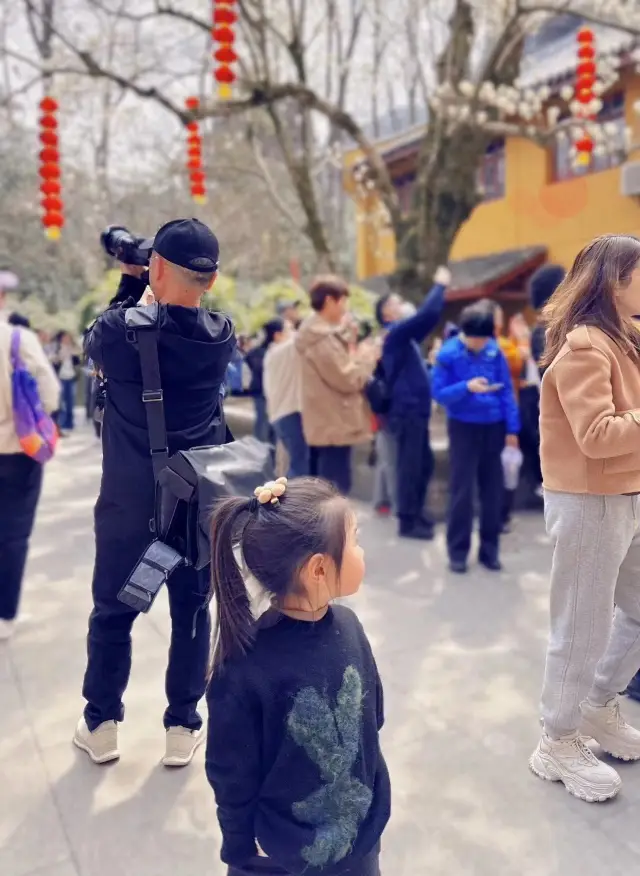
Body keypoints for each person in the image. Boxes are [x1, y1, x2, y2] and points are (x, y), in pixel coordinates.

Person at [74, 218, 235, 768]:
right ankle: (182, 725)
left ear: (156, 269)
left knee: (113, 613)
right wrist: (151, 281)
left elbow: (94, 339)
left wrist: (130, 281)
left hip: (129, 505)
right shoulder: (222, 333)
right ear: (210, 281)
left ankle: (101, 725)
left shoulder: (121, 333)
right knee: (191, 612)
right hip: (192, 505)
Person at [206, 476, 390, 876]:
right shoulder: (240, 670)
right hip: (279, 861)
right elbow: (231, 777)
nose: (361, 550)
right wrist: (240, 848)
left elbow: (372, 719)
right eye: (354, 540)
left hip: (355, 844)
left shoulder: (350, 626)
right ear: (319, 569)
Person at [529, 234, 640, 803]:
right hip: (591, 501)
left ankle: (596, 705)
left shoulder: (624, 340)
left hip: (625, 497)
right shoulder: (585, 349)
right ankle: (557, 738)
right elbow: (597, 438)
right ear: (615, 279)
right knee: (581, 624)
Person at [431, 301, 520, 574]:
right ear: (464, 334)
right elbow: (439, 393)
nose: (481, 345)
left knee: (492, 491)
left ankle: (489, 550)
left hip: (493, 427)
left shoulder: (495, 352)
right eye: (476, 340)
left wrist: (512, 429)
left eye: (485, 339)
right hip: (463, 428)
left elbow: (505, 391)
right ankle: (458, 551)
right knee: (462, 491)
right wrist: (466, 387)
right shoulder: (448, 355)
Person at [374, 267, 450, 540]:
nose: (402, 304)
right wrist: (439, 285)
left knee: (423, 464)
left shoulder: (404, 340)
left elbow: (424, 322)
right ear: (387, 314)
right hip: (405, 412)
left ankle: (417, 513)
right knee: (410, 466)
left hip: (415, 411)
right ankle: (407, 520)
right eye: (395, 303)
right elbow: (427, 315)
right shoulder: (394, 335)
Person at [0, 319, 59, 639]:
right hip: (17, 450)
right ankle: (5, 615)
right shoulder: (17, 339)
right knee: (13, 535)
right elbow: (49, 394)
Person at [296, 276, 378, 495]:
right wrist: (367, 356)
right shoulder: (321, 340)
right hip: (334, 422)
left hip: (329, 421)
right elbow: (348, 379)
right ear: (331, 301)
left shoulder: (317, 333)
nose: (346, 309)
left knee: (328, 486)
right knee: (336, 488)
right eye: (344, 302)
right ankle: (335, 529)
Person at [263, 321, 309, 478]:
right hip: (289, 414)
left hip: (281, 415)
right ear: (278, 335)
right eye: (289, 329)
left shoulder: (273, 353)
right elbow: (304, 338)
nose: (294, 332)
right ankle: (294, 501)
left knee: (290, 462)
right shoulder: (283, 351)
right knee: (300, 464)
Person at [246, 319, 283, 443]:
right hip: (263, 392)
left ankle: (268, 452)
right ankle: (260, 451)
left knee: (268, 423)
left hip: (267, 391)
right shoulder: (264, 352)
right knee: (263, 423)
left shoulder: (259, 351)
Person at [52, 331, 81, 432]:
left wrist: (73, 353)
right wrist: (60, 357)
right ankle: (63, 423)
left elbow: (77, 362)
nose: (66, 339)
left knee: (70, 401)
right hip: (61, 378)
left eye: (68, 337)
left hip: (71, 377)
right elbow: (55, 363)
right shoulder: (57, 348)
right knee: (62, 401)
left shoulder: (73, 349)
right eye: (65, 337)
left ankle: (70, 422)